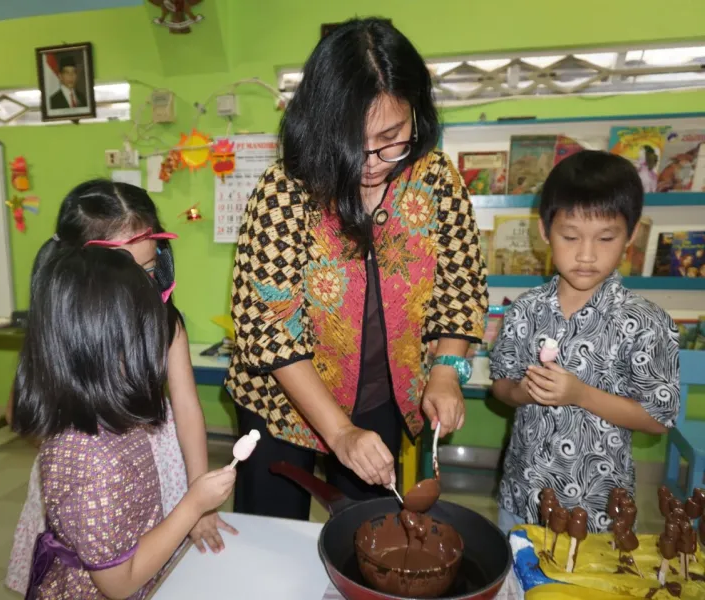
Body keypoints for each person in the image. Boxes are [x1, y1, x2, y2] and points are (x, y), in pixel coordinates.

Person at [226, 18, 489, 520]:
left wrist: (447, 372)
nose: (371, 161)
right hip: (280, 404)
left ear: (418, 111)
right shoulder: (286, 189)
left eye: (391, 137)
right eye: (352, 140)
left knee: (372, 532)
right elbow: (269, 328)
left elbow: (461, 285)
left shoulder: (435, 178)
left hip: (380, 396)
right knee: (273, 535)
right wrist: (339, 431)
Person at [6, 180, 235, 595]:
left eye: (148, 270)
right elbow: (23, 412)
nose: (140, 289)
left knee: (152, 560)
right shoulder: (66, 331)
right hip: (96, 471)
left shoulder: (164, 319)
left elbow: (186, 406)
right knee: (105, 567)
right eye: (124, 271)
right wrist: (83, 461)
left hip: (151, 466)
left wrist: (198, 499)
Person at [490, 150, 680, 534]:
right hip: (522, 497)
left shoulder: (644, 322)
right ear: (545, 231)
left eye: (606, 238)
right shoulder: (524, 310)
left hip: (598, 510)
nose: (587, 255)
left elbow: (658, 418)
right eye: (570, 236)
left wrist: (580, 394)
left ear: (630, 235)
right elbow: (500, 386)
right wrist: (523, 392)